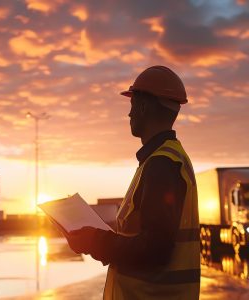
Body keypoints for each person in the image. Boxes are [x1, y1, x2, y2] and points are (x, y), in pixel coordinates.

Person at [66, 66, 200, 299]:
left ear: (143, 107)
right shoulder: (168, 158)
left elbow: (155, 249)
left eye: (131, 106)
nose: (129, 115)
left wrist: (94, 241)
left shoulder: (161, 164)